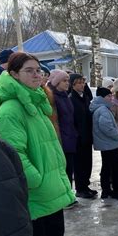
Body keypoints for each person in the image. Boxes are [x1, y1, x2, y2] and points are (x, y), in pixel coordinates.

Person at [0, 52, 75, 236]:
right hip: (36, 193)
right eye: (29, 70)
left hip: (50, 188)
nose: (37, 74)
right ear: (13, 74)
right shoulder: (10, 110)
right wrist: (36, 181)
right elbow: (15, 154)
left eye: (39, 70)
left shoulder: (36, 103)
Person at [90, 87, 118, 200]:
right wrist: (117, 135)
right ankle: (117, 190)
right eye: (108, 96)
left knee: (107, 166)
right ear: (102, 97)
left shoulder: (101, 108)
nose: (111, 98)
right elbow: (105, 126)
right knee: (117, 166)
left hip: (104, 143)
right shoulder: (103, 109)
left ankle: (106, 190)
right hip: (109, 143)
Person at [48, 70, 78, 209]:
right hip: (61, 139)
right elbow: (54, 121)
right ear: (56, 82)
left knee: (69, 168)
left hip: (70, 136)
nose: (68, 83)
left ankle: (69, 194)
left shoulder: (65, 95)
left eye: (67, 80)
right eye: (64, 81)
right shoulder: (53, 97)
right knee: (63, 169)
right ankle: (64, 197)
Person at [69, 73, 97, 198]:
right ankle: (80, 189)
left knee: (88, 163)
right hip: (78, 138)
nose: (82, 85)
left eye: (83, 82)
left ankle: (86, 185)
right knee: (79, 165)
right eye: (78, 83)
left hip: (87, 136)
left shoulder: (85, 97)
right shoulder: (71, 99)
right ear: (73, 85)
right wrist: (77, 135)